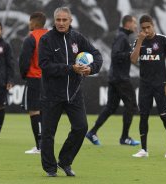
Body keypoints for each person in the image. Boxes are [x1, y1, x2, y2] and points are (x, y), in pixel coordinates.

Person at [39, 7, 103, 177]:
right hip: (52, 95)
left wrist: (91, 68)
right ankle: (50, 168)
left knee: (81, 127)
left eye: (64, 20)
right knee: (47, 133)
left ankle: (65, 161)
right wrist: (71, 69)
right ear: (54, 21)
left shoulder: (77, 38)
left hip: (74, 94)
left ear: (70, 21)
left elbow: (97, 55)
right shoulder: (46, 40)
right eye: (58, 20)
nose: (61, 23)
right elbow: (45, 66)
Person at [86, 15, 140, 146]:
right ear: (127, 23)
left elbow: (118, 55)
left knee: (111, 107)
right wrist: (130, 54)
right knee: (131, 106)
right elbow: (115, 55)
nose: (136, 26)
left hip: (115, 77)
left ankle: (92, 132)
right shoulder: (122, 37)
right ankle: (124, 138)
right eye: (134, 23)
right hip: (121, 79)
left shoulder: (122, 36)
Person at [130, 15, 166, 158]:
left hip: (160, 84)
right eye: (143, 28)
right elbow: (133, 60)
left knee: (163, 115)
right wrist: (140, 42)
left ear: (153, 25)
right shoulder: (139, 41)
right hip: (145, 85)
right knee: (143, 116)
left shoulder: (162, 40)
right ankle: (144, 149)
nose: (146, 30)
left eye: (148, 27)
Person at [19, 12, 48, 154]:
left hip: (35, 78)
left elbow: (24, 60)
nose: (29, 24)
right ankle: (45, 145)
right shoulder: (51, 36)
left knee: (34, 110)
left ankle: (39, 146)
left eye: (30, 21)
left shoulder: (31, 38)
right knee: (44, 111)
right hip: (49, 79)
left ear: (35, 23)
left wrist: (24, 75)